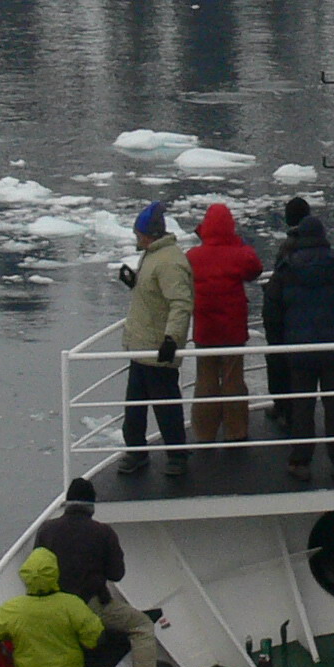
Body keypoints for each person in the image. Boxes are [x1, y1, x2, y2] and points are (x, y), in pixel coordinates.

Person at [261, 196, 334, 477]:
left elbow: (271, 309)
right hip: (333, 350)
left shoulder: (286, 269)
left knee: (302, 406)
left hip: (299, 350)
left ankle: (300, 460)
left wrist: (278, 346)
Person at [36, 476, 163, 667]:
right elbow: (117, 574)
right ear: (91, 505)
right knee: (141, 625)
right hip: (90, 606)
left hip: (53, 607)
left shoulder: (47, 529)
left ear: (68, 503)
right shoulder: (102, 532)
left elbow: (37, 567)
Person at [115, 203, 193, 478]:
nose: (136, 238)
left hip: (158, 350)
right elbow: (156, 293)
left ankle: (176, 456)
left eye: (138, 233)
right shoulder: (153, 256)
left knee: (167, 408)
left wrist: (171, 339)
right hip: (141, 347)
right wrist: (135, 282)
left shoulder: (170, 262)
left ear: (148, 234)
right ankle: (136, 452)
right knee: (134, 410)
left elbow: (181, 303)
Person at [183, 200, 264, 453]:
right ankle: (235, 432)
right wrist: (234, 242)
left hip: (205, 329)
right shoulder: (238, 253)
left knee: (205, 380)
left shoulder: (192, 257)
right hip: (232, 329)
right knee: (233, 379)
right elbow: (255, 269)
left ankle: (204, 433)